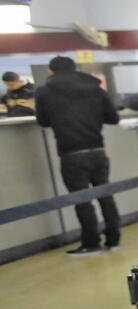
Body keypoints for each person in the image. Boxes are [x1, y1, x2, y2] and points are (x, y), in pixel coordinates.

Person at [34, 56, 122, 256]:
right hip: (98, 150)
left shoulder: (44, 92)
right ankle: (114, 240)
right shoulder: (95, 88)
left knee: (82, 200)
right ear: (76, 69)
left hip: (71, 152)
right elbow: (113, 118)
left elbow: (43, 121)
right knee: (105, 195)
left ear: (51, 71)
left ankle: (91, 243)